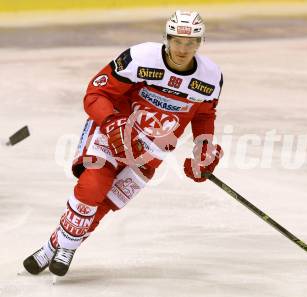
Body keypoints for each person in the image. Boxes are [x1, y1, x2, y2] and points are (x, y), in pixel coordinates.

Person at [22, 10, 224, 277]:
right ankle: (68, 246)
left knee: (104, 204)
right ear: (166, 38)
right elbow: (96, 93)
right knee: (94, 184)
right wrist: (111, 122)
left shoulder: (210, 77)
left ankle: (52, 247)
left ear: (200, 43)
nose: (183, 48)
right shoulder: (140, 58)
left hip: (150, 152)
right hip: (114, 133)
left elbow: (204, 115)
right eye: (177, 41)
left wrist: (204, 148)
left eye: (190, 43)